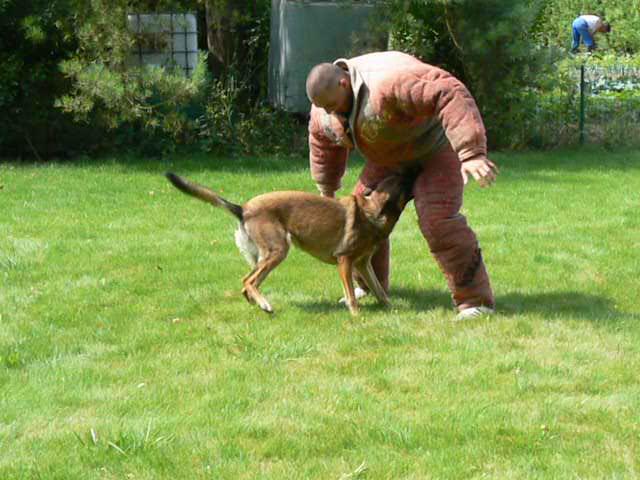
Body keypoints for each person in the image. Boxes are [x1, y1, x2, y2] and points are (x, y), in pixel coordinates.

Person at [305, 51, 498, 320]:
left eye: (332, 105)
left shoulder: (389, 81)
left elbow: (447, 90)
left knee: (438, 221)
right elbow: (322, 141)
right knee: (359, 217)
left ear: (343, 84)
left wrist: (471, 152)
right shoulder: (323, 109)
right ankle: (369, 287)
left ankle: (475, 302)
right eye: (324, 108)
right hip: (389, 157)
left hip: (435, 148)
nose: (330, 112)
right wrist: (327, 188)